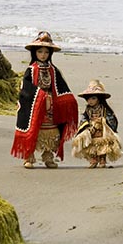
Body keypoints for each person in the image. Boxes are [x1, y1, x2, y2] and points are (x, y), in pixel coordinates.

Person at [11, 31, 78, 169]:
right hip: (34, 104)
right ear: (35, 52)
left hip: (51, 105)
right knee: (34, 128)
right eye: (40, 51)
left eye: (46, 52)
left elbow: (61, 86)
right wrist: (40, 97)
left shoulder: (53, 70)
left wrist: (68, 100)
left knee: (52, 131)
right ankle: (28, 157)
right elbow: (25, 88)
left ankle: (48, 156)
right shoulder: (31, 69)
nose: (43, 55)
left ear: (50, 54)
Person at [71, 79, 122, 168]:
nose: (90, 101)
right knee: (92, 146)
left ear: (99, 99)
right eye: (88, 99)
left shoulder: (104, 109)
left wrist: (103, 122)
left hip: (102, 130)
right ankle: (93, 160)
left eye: (93, 98)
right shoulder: (88, 110)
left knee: (103, 145)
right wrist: (86, 127)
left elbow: (111, 119)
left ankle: (102, 160)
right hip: (91, 129)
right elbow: (84, 119)